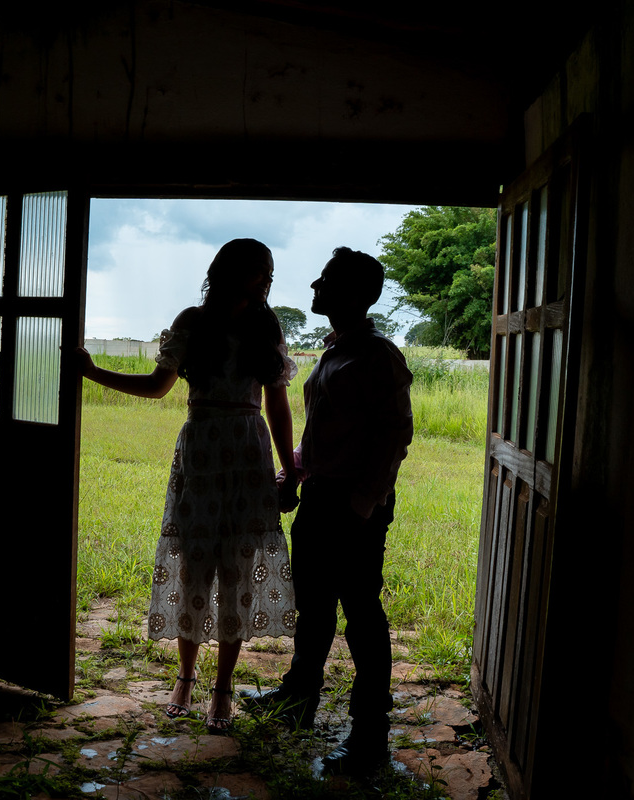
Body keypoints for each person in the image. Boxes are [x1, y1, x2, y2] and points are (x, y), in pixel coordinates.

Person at [73, 238, 299, 734]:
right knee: (195, 568)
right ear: (228, 271)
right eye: (256, 269)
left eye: (268, 271)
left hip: (247, 451)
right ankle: (185, 677)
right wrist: (93, 374)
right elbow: (157, 387)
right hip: (200, 452)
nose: (264, 279)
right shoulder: (193, 322)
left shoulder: (267, 326)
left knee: (238, 570)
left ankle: (222, 688)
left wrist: (289, 469)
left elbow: (278, 405)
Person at [242, 246, 413, 777]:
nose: (314, 288)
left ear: (357, 296)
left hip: (352, 507)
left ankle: (369, 737)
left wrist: (362, 505)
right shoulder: (338, 350)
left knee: (361, 615)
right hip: (322, 498)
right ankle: (300, 699)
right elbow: (328, 435)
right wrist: (294, 469)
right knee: (313, 606)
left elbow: (393, 438)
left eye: (326, 282)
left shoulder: (378, 356)